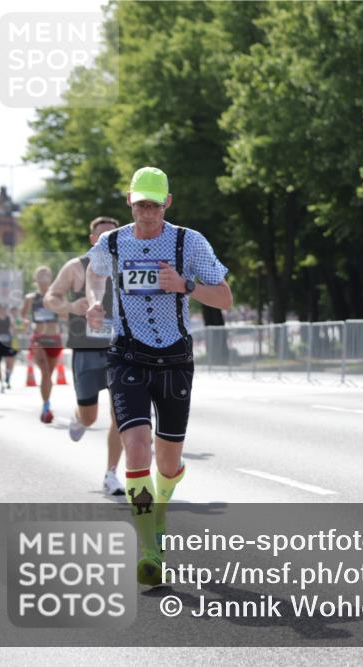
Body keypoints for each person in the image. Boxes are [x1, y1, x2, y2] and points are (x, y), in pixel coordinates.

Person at [86, 166, 232, 586]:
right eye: (139, 205)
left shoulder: (190, 241)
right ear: (129, 204)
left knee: (168, 464)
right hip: (127, 355)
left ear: (167, 203)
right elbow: (95, 273)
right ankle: (148, 544)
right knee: (136, 445)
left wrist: (184, 285)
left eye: (153, 205)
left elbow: (223, 295)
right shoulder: (112, 242)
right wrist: (95, 301)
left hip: (174, 360)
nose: (146, 214)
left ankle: (161, 508)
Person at [45, 216, 125, 496]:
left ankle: (111, 474)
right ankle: (79, 418)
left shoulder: (128, 264)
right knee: (91, 418)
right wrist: (70, 307)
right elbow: (50, 298)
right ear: (92, 239)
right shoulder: (76, 267)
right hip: (86, 349)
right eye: (101, 236)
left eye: (111, 236)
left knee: (121, 415)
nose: (106, 240)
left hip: (121, 349)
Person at [22, 266, 64, 423]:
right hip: (38, 338)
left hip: (54, 338)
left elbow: (65, 313)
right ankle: (46, 407)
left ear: (51, 278)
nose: (43, 277)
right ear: (35, 279)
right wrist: (25, 323)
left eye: (46, 274)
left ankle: (46, 403)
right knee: (45, 372)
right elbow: (23, 316)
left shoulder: (56, 296)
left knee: (49, 375)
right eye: (40, 274)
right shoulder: (30, 298)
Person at [0, 303, 18, 392]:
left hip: (8, 342)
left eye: (4, 308)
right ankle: (1, 383)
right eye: (1, 308)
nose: (2, 310)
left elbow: (14, 329)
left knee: (10, 360)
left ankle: (8, 376)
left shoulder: (9, 318)